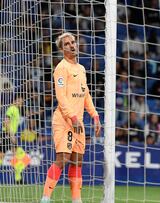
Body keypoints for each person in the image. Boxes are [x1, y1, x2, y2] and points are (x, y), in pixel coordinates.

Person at [40, 33, 101, 203]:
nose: (72, 45)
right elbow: (61, 97)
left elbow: (85, 94)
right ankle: (45, 198)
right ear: (62, 49)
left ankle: (76, 200)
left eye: (73, 42)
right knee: (62, 159)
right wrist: (72, 118)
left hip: (78, 122)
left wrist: (95, 115)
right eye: (67, 44)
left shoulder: (81, 69)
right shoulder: (61, 68)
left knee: (77, 162)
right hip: (64, 121)